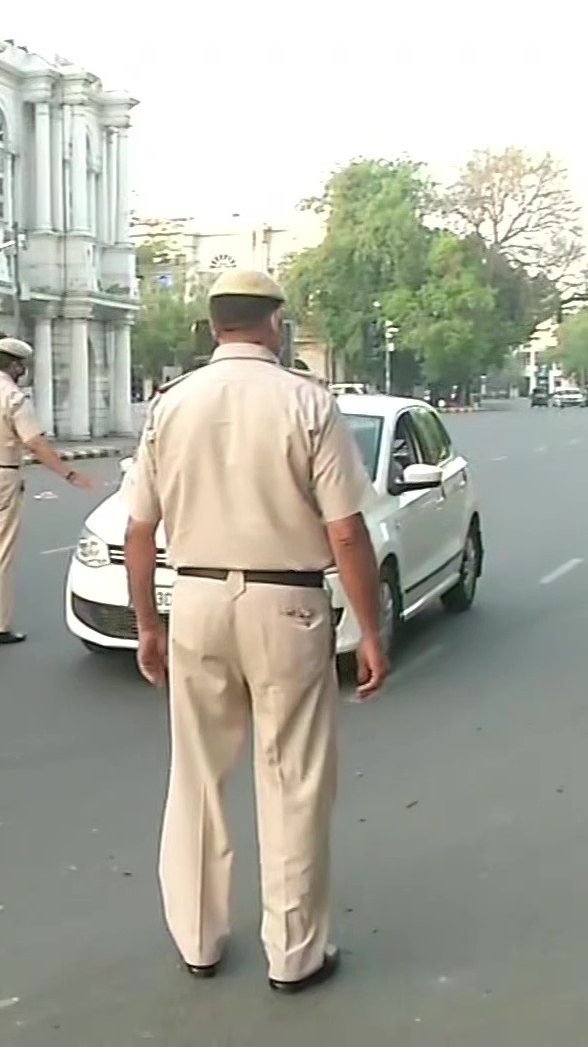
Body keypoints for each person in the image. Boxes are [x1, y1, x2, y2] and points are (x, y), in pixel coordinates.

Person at [122, 268, 390, 994]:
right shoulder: (308, 402)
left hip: (198, 601)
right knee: (292, 779)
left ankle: (199, 940)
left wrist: (147, 623)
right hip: (287, 606)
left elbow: (139, 531)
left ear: (214, 326)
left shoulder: (170, 407)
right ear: (275, 323)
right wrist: (369, 629)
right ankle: (294, 954)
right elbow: (346, 531)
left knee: (199, 775)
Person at [0, 336, 94, 644]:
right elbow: (35, 443)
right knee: (0, 552)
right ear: (14, 366)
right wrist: (68, 473)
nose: (23, 371)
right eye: (21, 366)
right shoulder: (13, 398)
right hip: (2, 476)